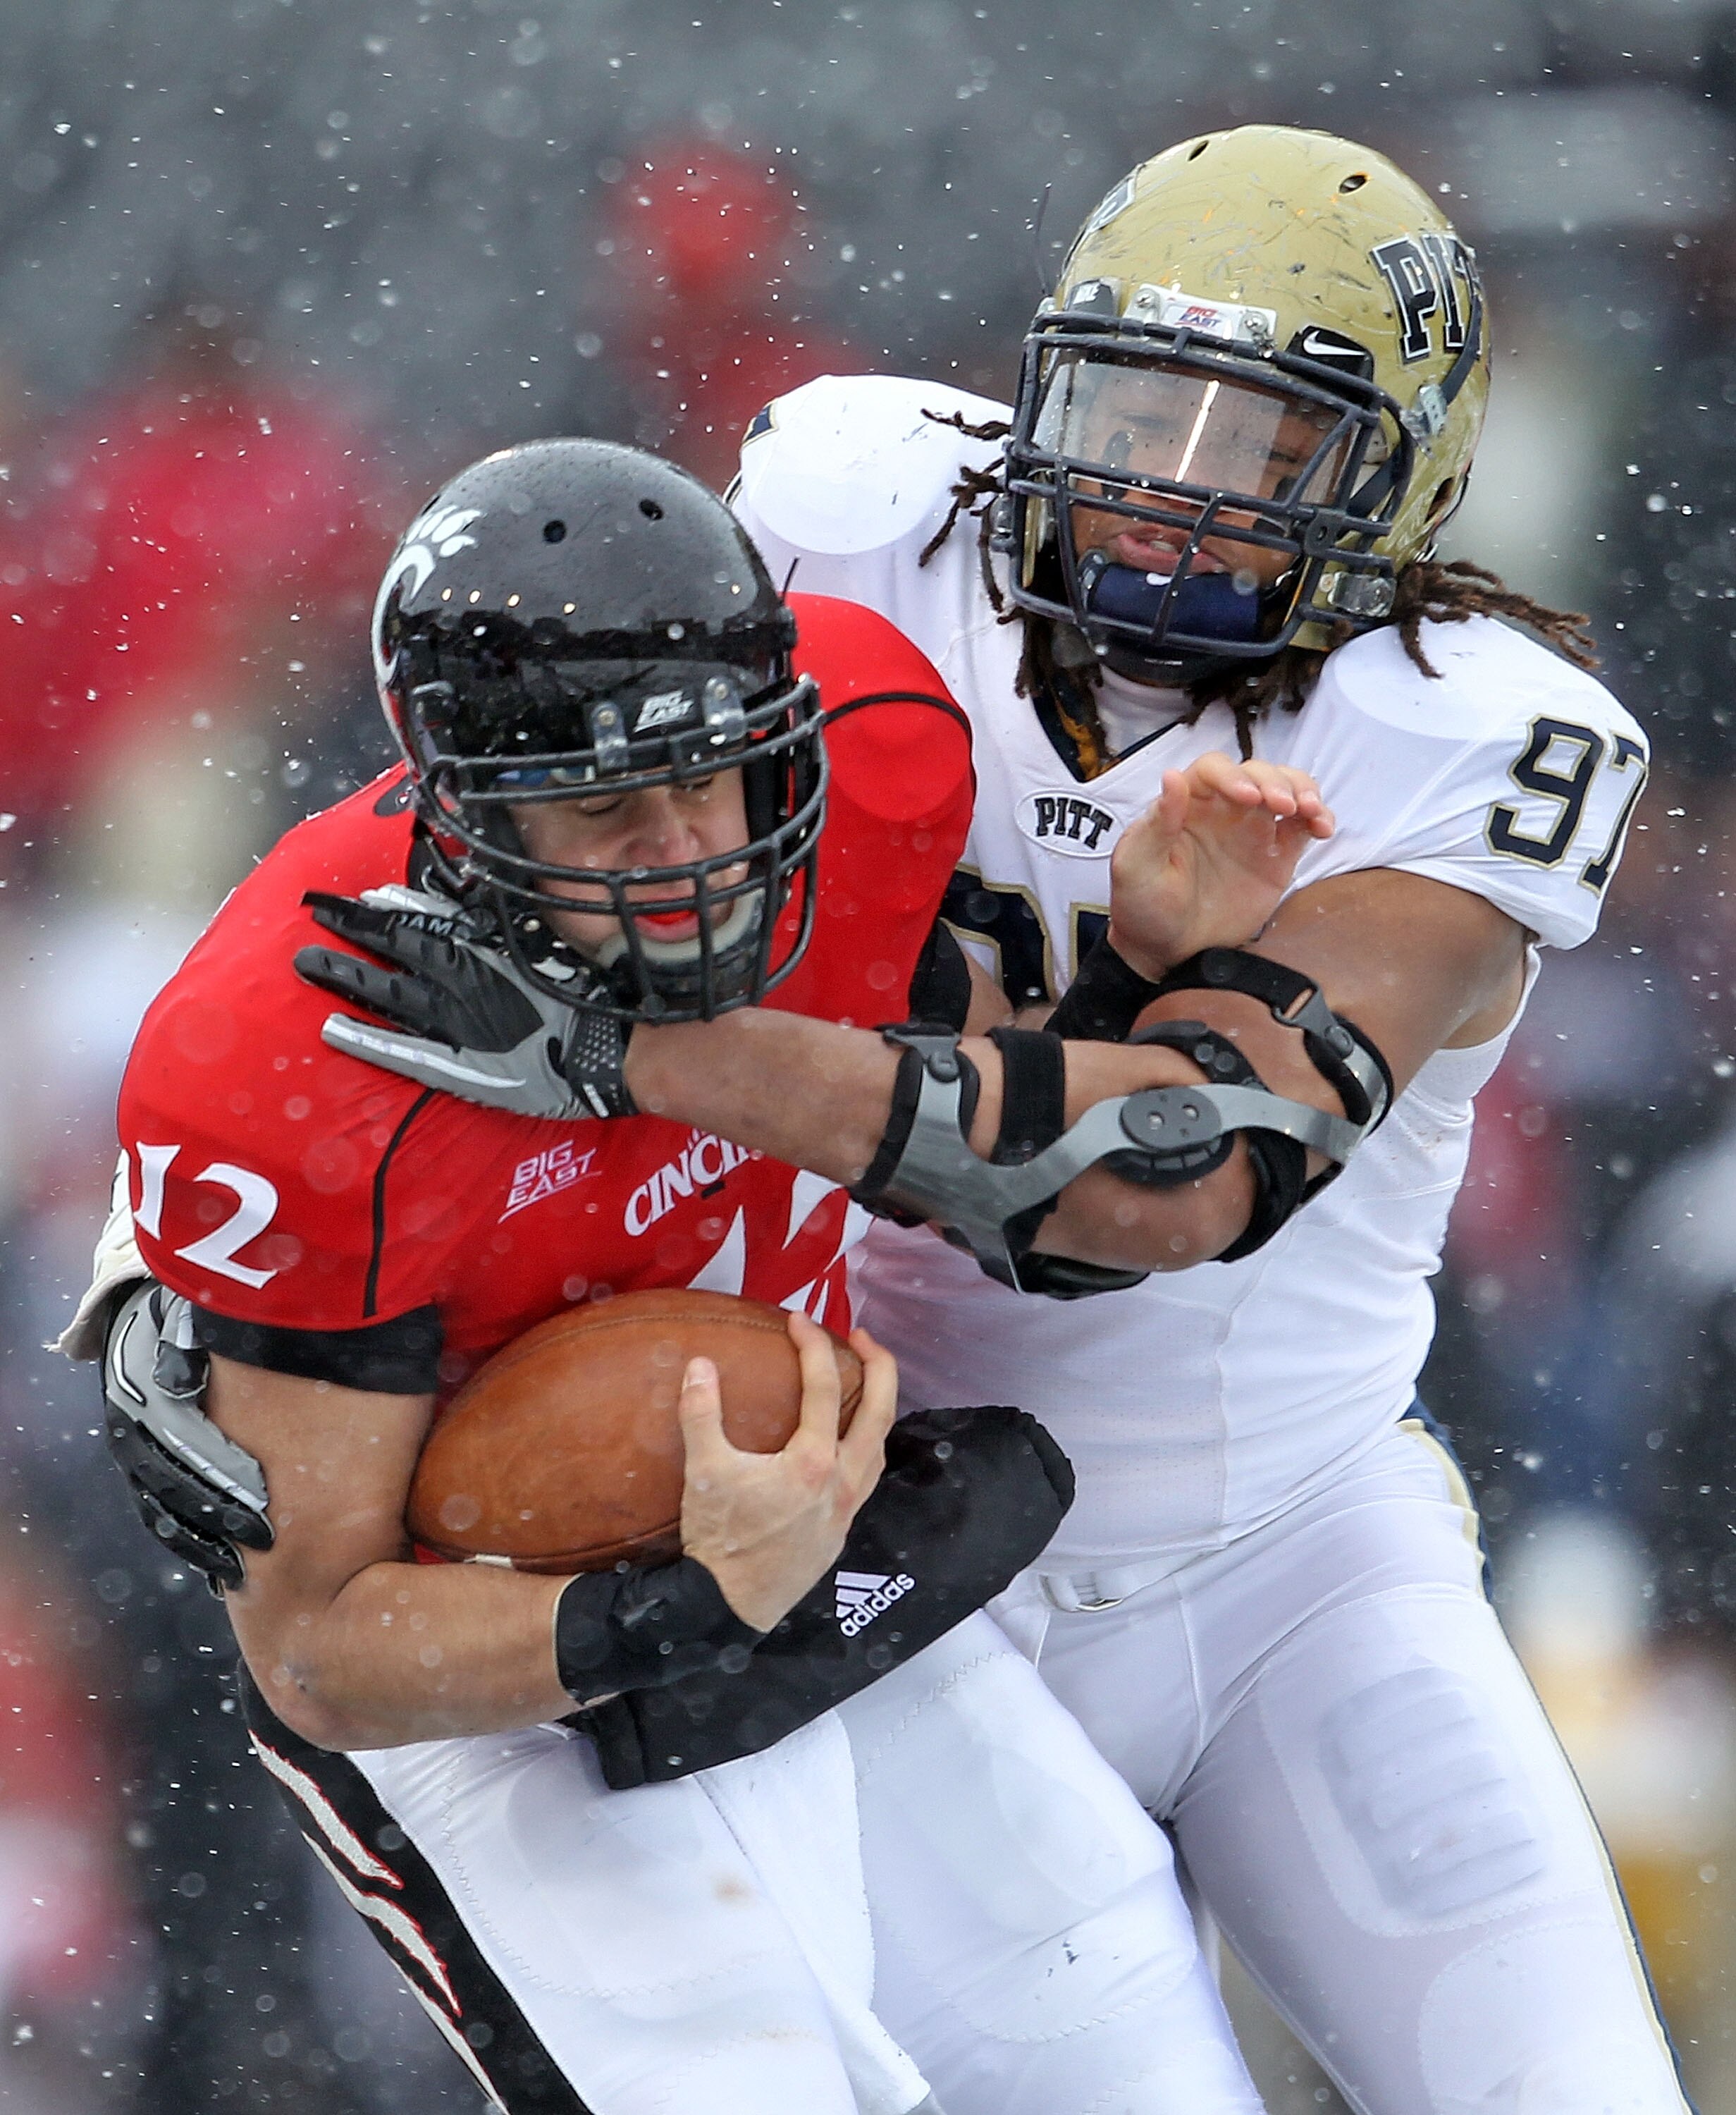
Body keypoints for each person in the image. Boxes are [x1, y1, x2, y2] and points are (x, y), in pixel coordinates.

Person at [71, 436, 1334, 2114]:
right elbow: (320, 1650)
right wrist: (678, 1601)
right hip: (507, 1659)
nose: (682, 849)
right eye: (604, 808)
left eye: (714, 778)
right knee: (747, 2078)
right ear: (461, 807)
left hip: (812, 1529)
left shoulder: (874, 752)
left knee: (1115, 2028)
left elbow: (1049, 1196)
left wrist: (1125, 982)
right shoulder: (292, 1066)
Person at [724, 125, 1684, 2114]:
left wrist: (711, 1043)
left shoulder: (1464, 734)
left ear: (1392, 486)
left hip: (1291, 1559)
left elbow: (1154, 1184)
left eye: (1255, 445)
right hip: (892, 1557)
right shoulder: (857, 512)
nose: (1167, 486)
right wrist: (1091, 984)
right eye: (1129, 403)